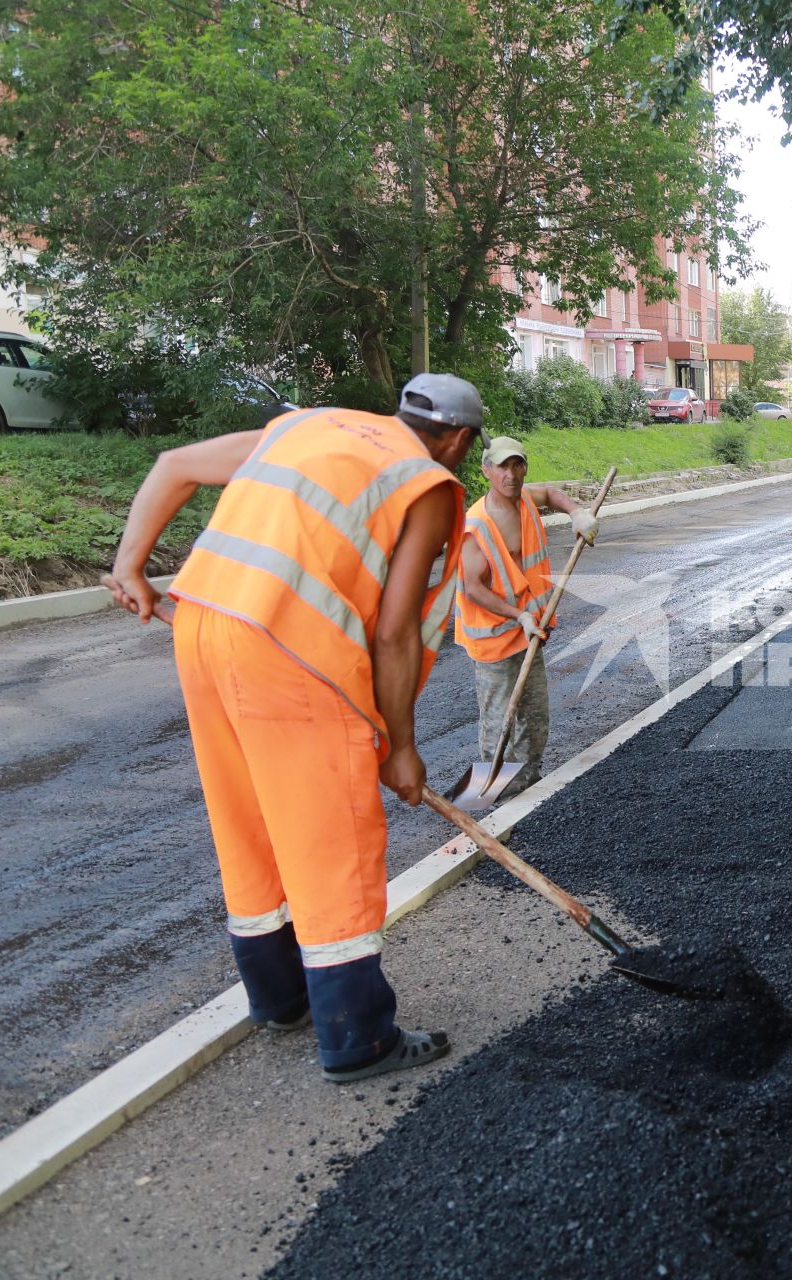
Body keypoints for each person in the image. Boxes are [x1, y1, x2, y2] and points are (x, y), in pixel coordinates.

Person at [100, 373, 485, 1083]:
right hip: (291, 654)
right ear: (458, 440)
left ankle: (280, 1000)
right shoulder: (424, 482)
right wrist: (401, 747)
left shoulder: (310, 426)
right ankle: (359, 1036)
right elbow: (396, 634)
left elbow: (173, 466)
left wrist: (129, 567)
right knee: (329, 836)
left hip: (204, 632)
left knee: (248, 822)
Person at [455, 435, 598, 795]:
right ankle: (488, 795)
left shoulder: (524, 501)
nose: (511, 474)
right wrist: (518, 615)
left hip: (529, 630)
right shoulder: (477, 525)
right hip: (493, 636)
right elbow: (473, 588)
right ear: (487, 470)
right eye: (502, 466)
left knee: (533, 717)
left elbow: (551, 495)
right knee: (499, 720)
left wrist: (577, 513)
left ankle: (527, 786)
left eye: (517, 464)